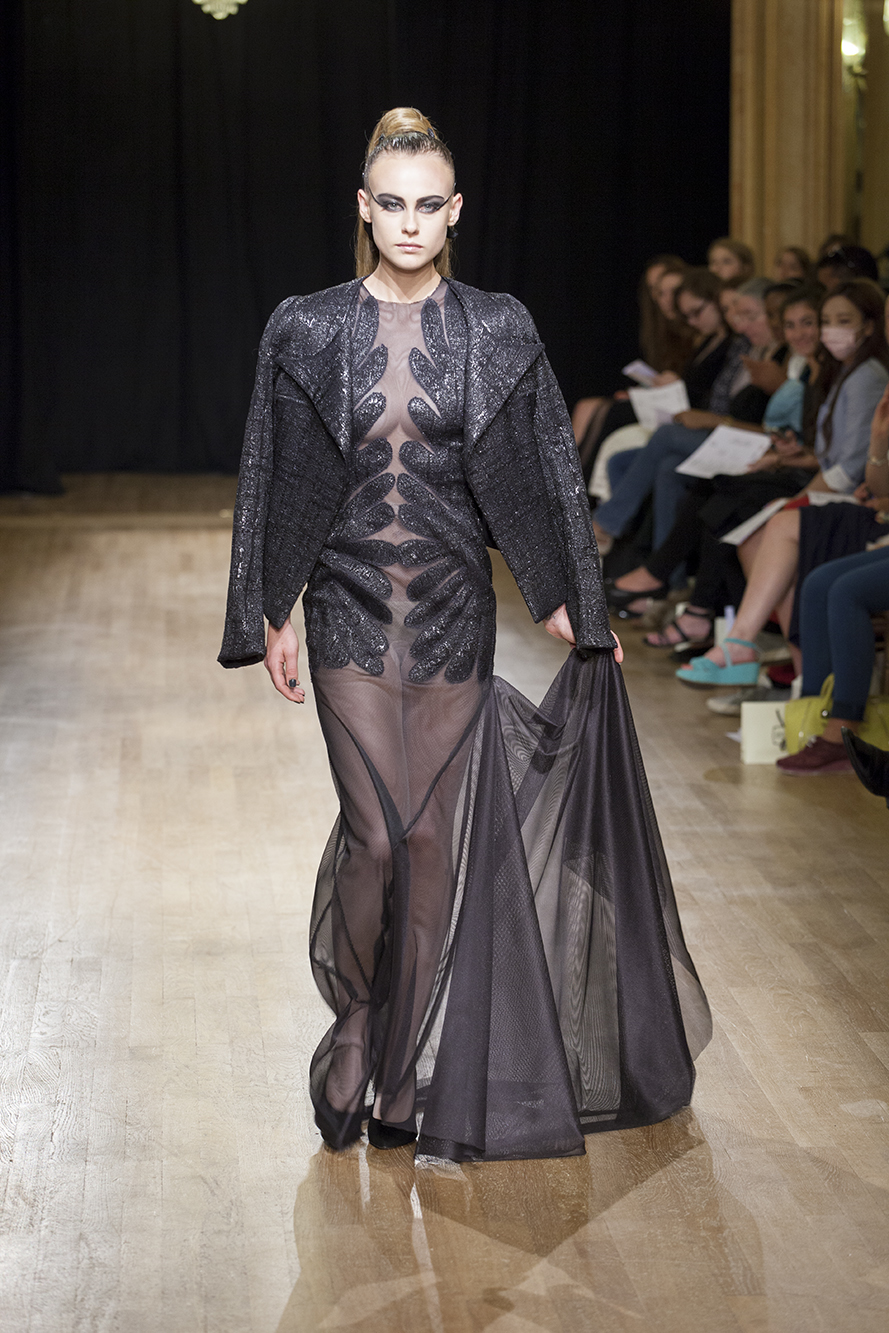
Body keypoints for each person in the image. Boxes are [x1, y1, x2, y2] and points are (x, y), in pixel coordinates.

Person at [218, 107, 711, 1162]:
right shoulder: (305, 327)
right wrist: (270, 604)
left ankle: (403, 1071)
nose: (410, 222)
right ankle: (359, 1021)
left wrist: (574, 600)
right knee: (376, 835)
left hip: (451, 608)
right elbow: (272, 469)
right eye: (391, 203)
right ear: (364, 208)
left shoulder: (497, 327)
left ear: (455, 211)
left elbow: (543, 469)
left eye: (428, 204)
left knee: (433, 842)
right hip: (346, 602)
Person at [677, 284, 889, 686]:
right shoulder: (846, 371)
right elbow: (838, 454)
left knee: (766, 520)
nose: (830, 331)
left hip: (852, 498)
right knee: (744, 522)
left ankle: (786, 664)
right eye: (827, 321)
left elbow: (850, 469)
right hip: (848, 491)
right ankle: (798, 667)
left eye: (842, 321)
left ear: (868, 326)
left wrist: (801, 498)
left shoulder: (867, 377)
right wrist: (794, 456)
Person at [592, 277, 781, 557]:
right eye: (733, 312)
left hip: (746, 443)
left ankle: (606, 525)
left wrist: (710, 419)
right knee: (654, 465)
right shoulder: (748, 350)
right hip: (725, 433)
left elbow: (762, 424)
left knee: (665, 437)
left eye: (748, 315)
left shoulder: (770, 358)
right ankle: (656, 570)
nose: (739, 322)